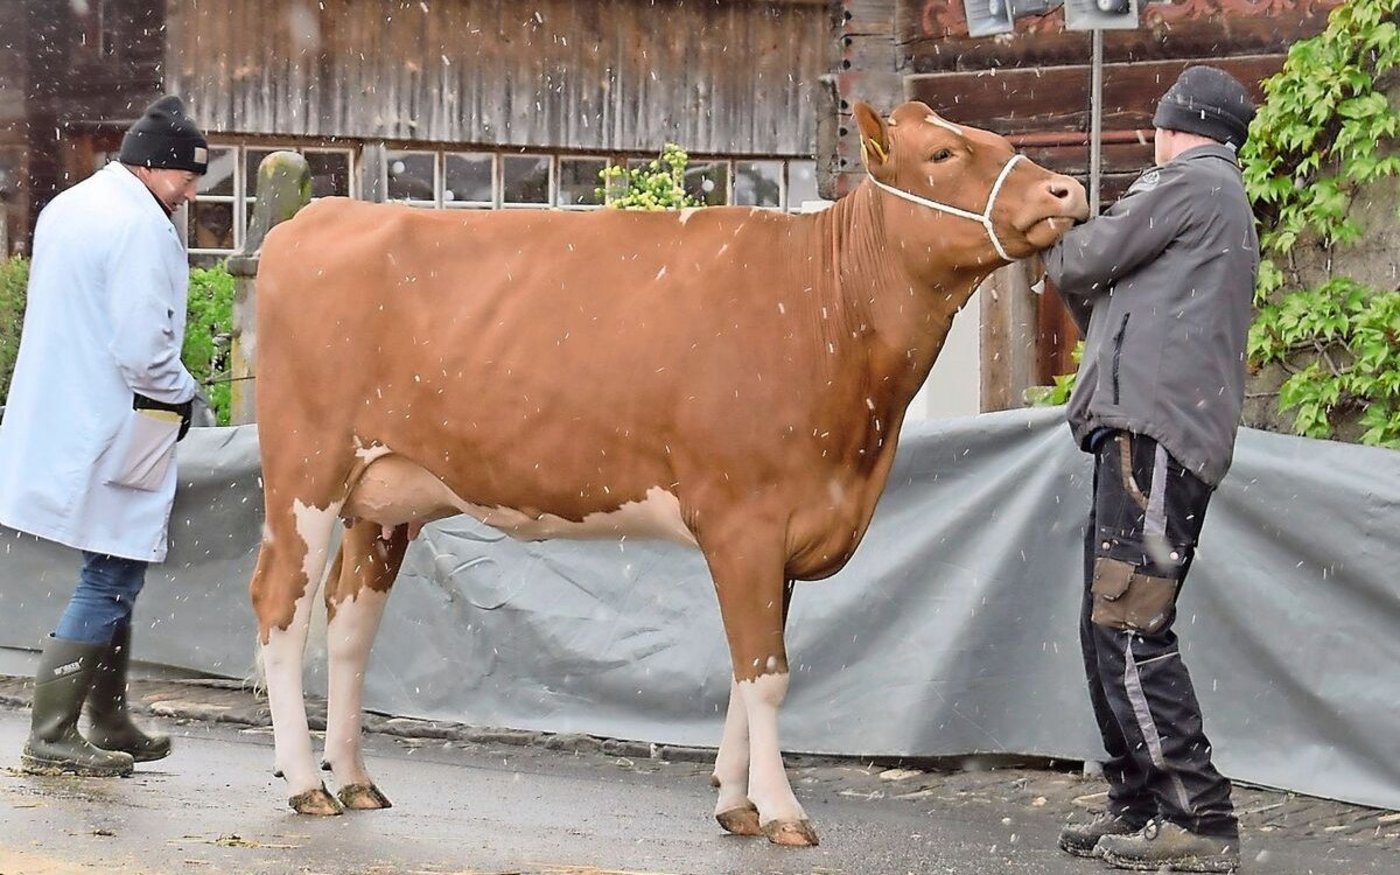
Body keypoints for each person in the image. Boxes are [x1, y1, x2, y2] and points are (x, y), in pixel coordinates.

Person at [1041, 66, 1259, 873]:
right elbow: (1098, 291)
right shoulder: (1207, 200)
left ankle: (1199, 816)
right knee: (1109, 621)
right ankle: (1137, 803)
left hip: (1155, 437)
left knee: (1130, 621)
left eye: (1161, 126)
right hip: (1147, 435)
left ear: (1179, 126)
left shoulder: (1191, 185)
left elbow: (1080, 259)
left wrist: (1046, 217)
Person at [0, 95, 207, 776]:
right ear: (152, 166)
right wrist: (187, 391)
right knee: (111, 573)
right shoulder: (141, 227)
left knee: (113, 563)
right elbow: (144, 349)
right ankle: (54, 734)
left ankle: (106, 716)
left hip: (66, 414)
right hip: (114, 424)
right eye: (186, 175)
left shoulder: (74, 205)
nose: (192, 190)